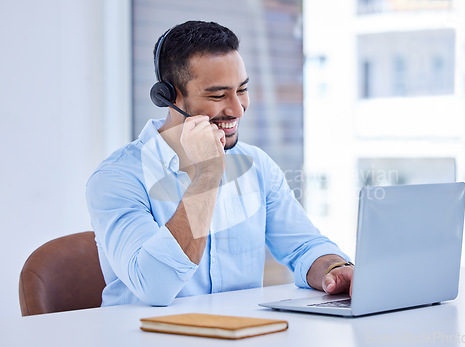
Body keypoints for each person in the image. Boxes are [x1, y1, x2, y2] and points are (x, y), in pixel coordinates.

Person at [86, 20, 353, 307]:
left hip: (239, 334)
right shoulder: (116, 178)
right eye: (218, 95)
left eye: (242, 90)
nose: (237, 108)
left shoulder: (256, 165)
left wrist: (335, 269)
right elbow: (155, 285)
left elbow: (304, 247)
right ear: (169, 96)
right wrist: (208, 175)